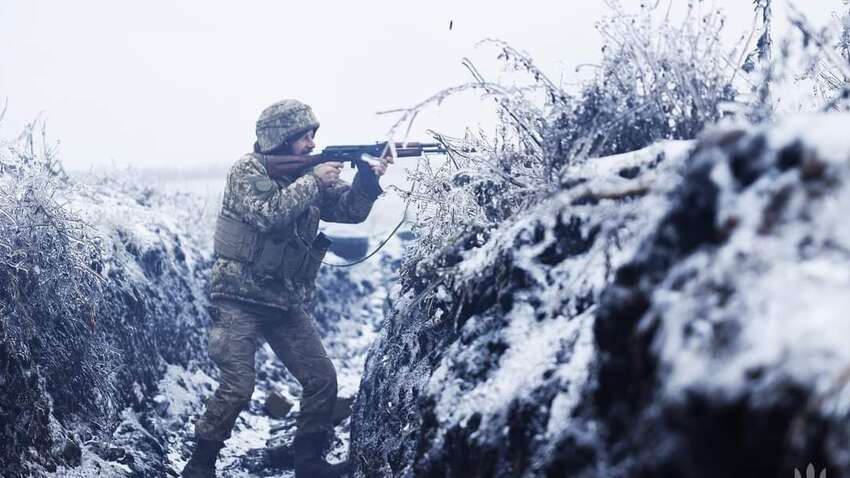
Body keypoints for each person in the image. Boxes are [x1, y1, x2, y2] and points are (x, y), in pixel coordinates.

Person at [181, 99, 391, 478]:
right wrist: (313, 180)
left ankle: (309, 463)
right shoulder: (247, 170)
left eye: (314, 136)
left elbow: (350, 211)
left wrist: (367, 177)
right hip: (238, 297)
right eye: (305, 136)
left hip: (283, 300)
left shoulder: (311, 174)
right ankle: (200, 464)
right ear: (282, 138)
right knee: (238, 387)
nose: (312, 143)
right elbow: (268, 214)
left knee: (322, 379)